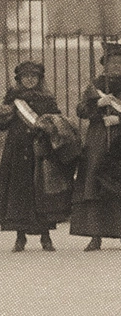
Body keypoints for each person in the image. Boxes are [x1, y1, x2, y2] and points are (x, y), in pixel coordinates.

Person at [70, 42, 121, 251]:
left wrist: (120, 121)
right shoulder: (95, 85)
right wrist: (98, 104)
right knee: (95, 185)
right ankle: (95, 236)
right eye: (113, 62)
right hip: (96, 141)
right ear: (105, 64)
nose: (117, 66)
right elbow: (80, 110)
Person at [0, 61, 75, 252]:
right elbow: (2, 125)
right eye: (25, 76)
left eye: (34, 76)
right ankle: (20, 237)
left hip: (40, 151)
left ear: (39, 79)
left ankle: (45, 236)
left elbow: (58, 123)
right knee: (18, 193)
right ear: (19, 79)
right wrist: (5, 114)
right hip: (17, 151)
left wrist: (48, 125)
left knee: (41, 193)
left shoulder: (47, 100)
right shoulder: (12, 99)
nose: (30, 79)